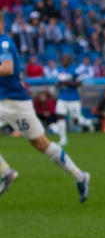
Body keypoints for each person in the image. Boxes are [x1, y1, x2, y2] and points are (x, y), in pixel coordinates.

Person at [0, 14, 90, 202]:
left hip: (15, 104)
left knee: (41, 144)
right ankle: (6, 173)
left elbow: (7, 68)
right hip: (2, 102)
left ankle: (80, 175)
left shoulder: (4, 43)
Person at [54, 54, 94, 146]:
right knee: (60, 116)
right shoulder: (59, 70)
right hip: (62, 97)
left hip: (73, 98)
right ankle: (63, 139)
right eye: (63, 59)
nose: (65, 61)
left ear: (70, 60)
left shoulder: (74, 70)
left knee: (75, 119)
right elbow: (59, 83)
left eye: (67, 59)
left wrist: (67, 82)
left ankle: (87, 122)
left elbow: (79, 83)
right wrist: (58, 84)